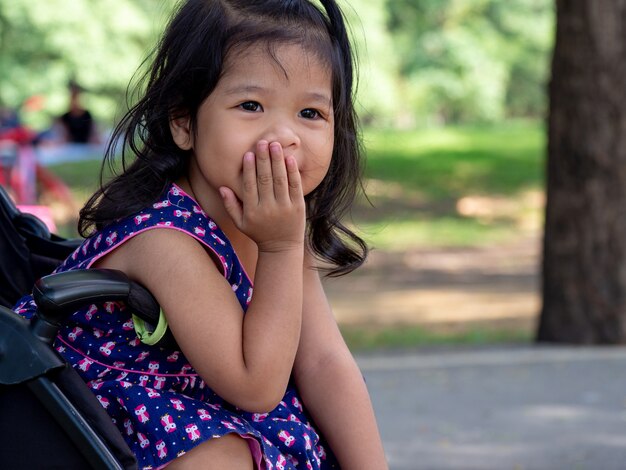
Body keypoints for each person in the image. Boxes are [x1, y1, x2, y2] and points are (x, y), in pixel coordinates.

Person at [13, 0, 388, 468]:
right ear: (184, 122)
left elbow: (324, 363)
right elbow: (255, 386)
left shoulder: (279, 226)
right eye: (251, 105)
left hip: (223, 414)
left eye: (311, 113)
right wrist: (280, 247)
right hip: (116, 426)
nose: (284, 135)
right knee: (222, 456)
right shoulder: (163, 239)